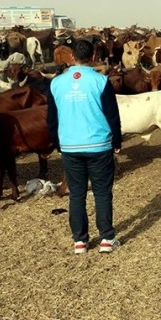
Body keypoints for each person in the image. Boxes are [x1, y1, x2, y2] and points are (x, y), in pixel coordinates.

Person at [47, 39, 123, 254]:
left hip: (70, 146)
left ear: (71, 57)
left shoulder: (56, 83)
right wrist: (116, 141)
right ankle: (107, 239)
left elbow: (51, 119)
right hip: (99, 145)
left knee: (76, 194)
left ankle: (80, 241)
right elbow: (112, 115)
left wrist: (58, 143)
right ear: (92, 58)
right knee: (102, 192)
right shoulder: (100, 81)